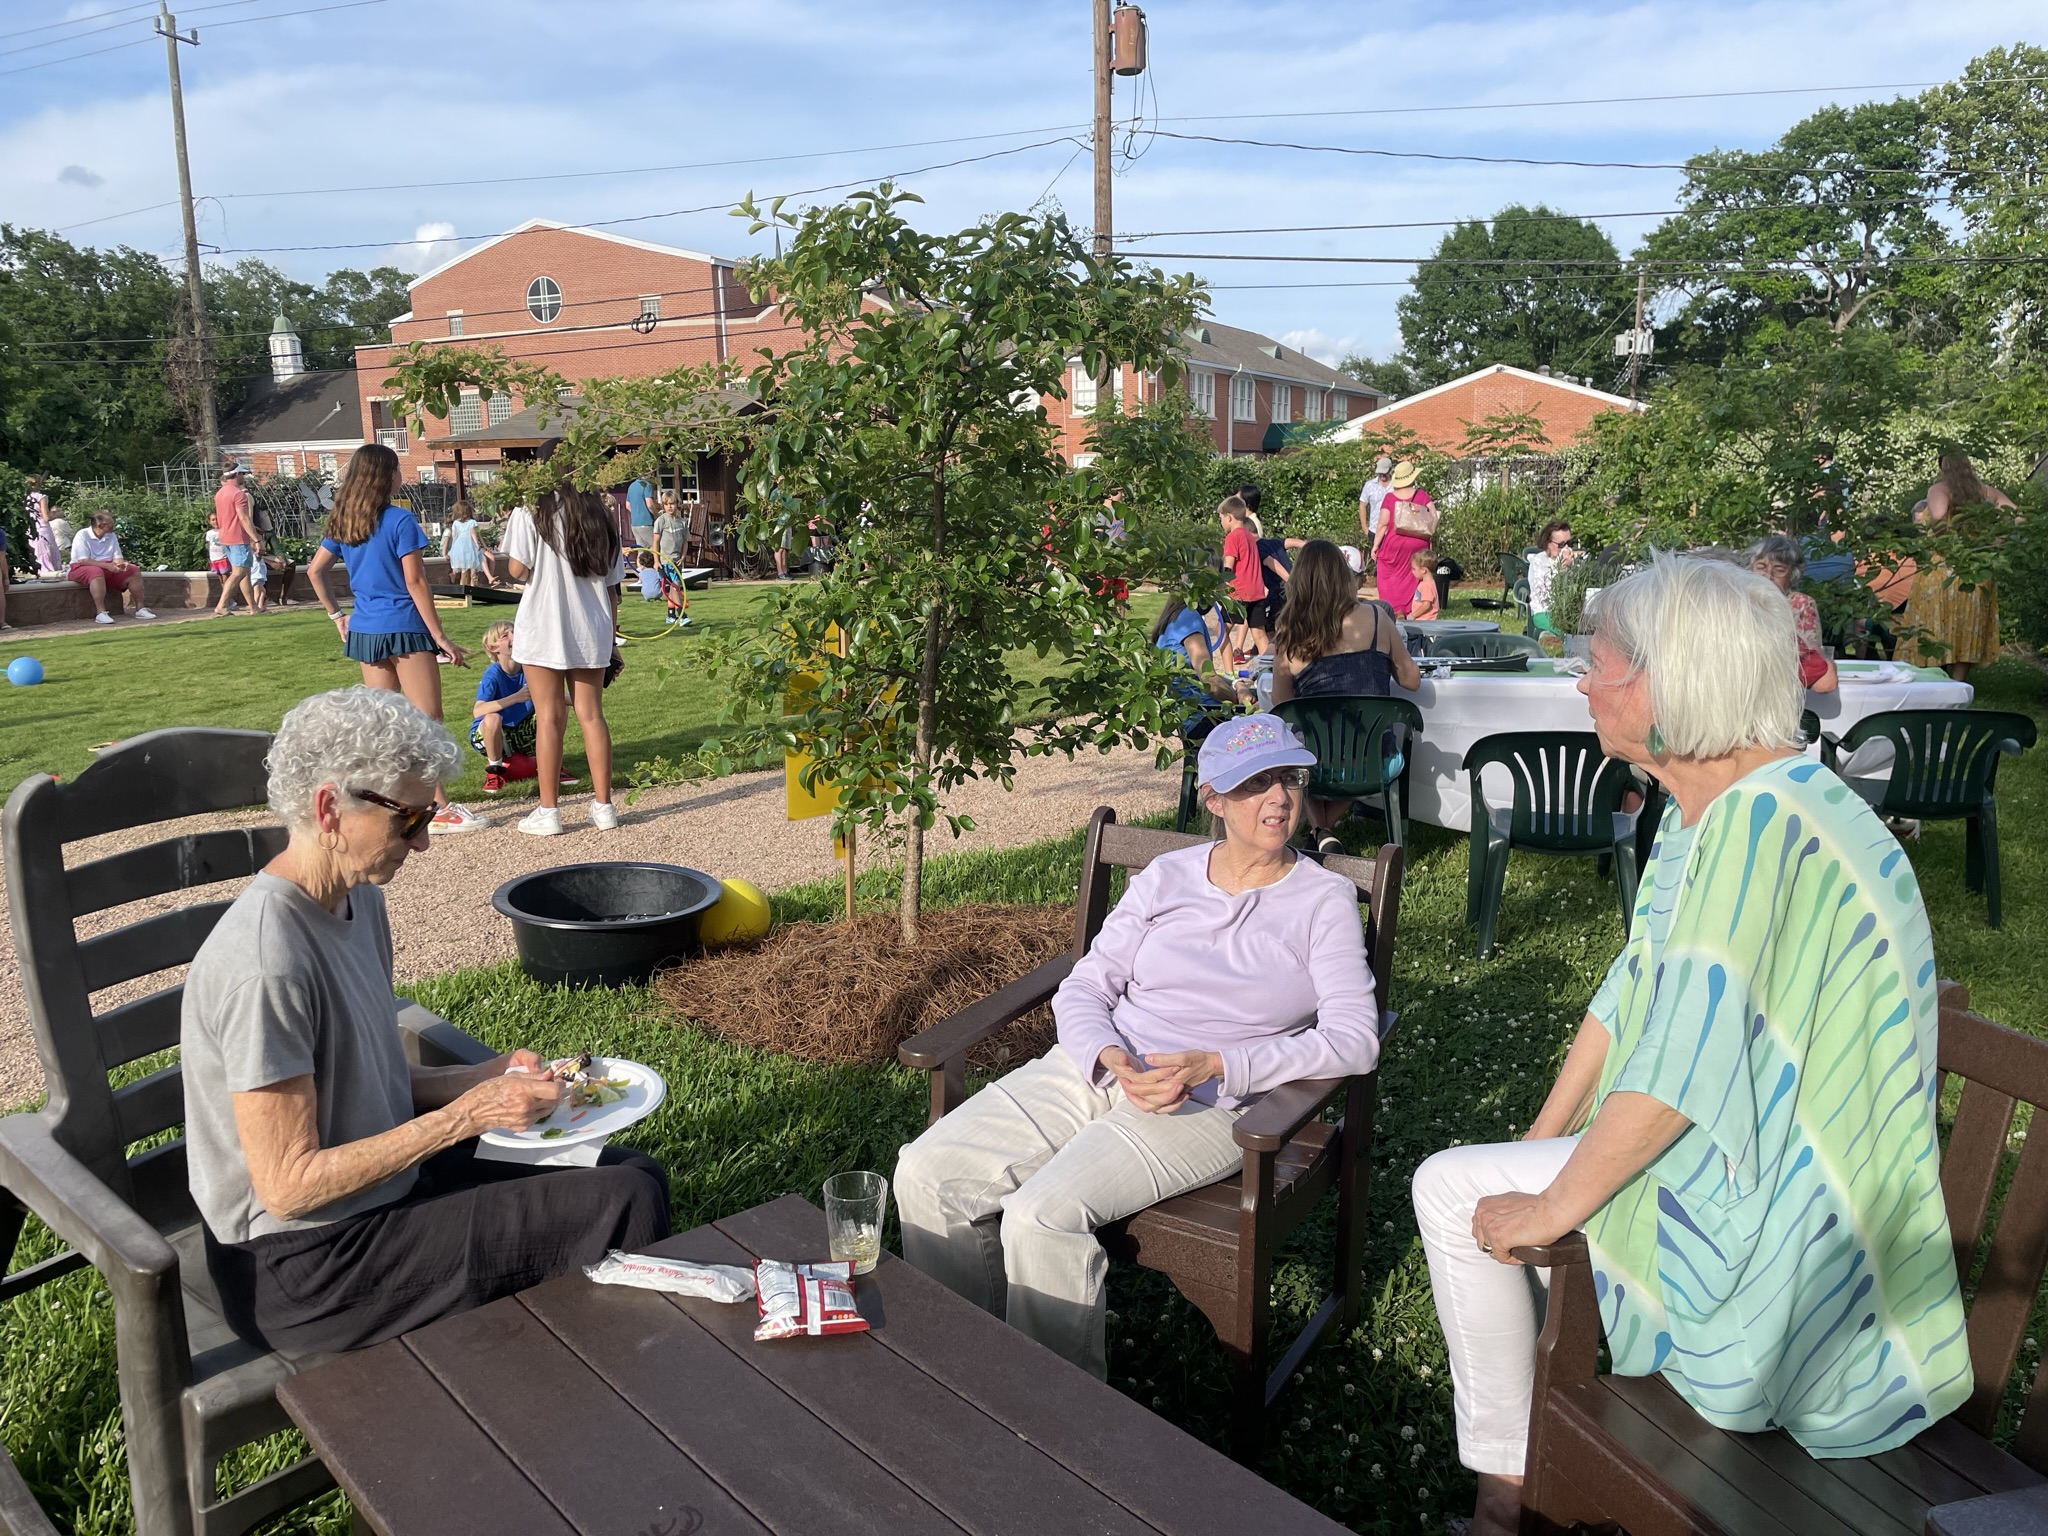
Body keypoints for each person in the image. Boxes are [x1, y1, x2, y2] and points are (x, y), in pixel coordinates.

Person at [1409, 554, 1970, 1536]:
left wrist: (1552, 1202)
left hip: (1798, 1211)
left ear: (1669, 683)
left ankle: (1505, 1505)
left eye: (1598, 664)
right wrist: (1542, 1139)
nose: (1581, 684)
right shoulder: (1706, 807)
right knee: (1480, 1187)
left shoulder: (1764, 822)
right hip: (1748, 1146)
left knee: (1449, 1190)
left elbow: (1683, 1070)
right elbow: (1631, 990)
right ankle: (1518, 1485)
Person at [182, 686, 668, 1354]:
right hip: (300, 1265)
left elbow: (362, 1079)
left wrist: (483, 1078)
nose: (423, 843)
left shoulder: (356, 900)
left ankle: (571, 1362)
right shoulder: (266, 963)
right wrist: (465, 1117)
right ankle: (588, 1378)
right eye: (408, 820)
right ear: (329, 810)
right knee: (622, 1202)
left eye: (427, 816)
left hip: (381, 1193)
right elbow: (288, 1187)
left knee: (634, 1174)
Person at [895, 712, 1380, 1378]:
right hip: (1099, 1068)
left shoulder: (1322, 900)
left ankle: (1052, 1409)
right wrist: (1105, 1055)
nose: (1278, 798)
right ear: (1214, 799)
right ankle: (964, 1373)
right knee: (927, 1172)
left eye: (1289, 779)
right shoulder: (1166, 877)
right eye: (1254, 783)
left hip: (1209, 1103)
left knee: (1042, 1216)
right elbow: (1086, 984)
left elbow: (1354, 1039)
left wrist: (1222, 1064)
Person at [307, 443, 483, 835]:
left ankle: (387, 806)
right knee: (427, 722)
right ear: (386, 476)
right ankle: (439, 808)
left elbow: (315, 571)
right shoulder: (400, 520)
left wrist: (336, 615)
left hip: (366, 631)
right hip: (404, 626)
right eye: (397, 469)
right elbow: (416, 581)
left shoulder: (343, 520)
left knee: (382, 726)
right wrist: (440, 637)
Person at [1269, 540, 1422, 852]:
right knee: (1361, 745)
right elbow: (1412, 681)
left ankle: (1320, 830)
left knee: (1295, 750)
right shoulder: (1377, 619)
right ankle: (1323, 831)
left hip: (1313, 765)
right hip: (1372, 761)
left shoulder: (1290, 632)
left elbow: (1281, 703)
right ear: (1343, 576)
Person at [500, 481, 627, 836]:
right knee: (592, 715)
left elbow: (516, 569)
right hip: (592, 626)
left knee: (548, 717)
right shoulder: (599, 511)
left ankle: (549, 811)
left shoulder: (531, 506)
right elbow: (612, 587)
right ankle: (604, 806)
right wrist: (611, 640)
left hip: (543, 623)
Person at [1898, 451, 2015, 681]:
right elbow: (2017, 516)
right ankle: (1956, 684)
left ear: (1943, 467)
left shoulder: (1939, 489)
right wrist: (1994, 541)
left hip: (1942, 568)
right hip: (1976, 569)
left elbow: (1939, 514)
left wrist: (1947, 541)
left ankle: (1933, 681)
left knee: (1933, 626)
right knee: (1967, 627)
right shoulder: (1984, 492)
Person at [1746, 533, 1838, 693]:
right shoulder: (1736, 600)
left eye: (1779, 570)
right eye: (1761, 567)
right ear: (1749, 568)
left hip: (1783, 687)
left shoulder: (1800, 603)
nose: (1768, 575)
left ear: (1792, 576)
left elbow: (1814, 661)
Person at [1151, 596, 1248, 718]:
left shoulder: (1176, 615)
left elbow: (1200, 675)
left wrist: (1237, 684)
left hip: (1186, 712)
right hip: (1198, 715)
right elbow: (1211, 683)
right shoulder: (1189, 619)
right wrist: (1241, 701)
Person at [1371, 460, 1436, 617]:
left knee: (1389, 576)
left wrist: (1375, 546)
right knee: (1413, 575)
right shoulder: (1422, 495)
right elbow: (1433, 517)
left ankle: (1394, 610)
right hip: (1418, 544)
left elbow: (1382, 524)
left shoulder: (1390, 498)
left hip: (1395, 544)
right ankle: (1410, 609)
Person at [68, 512, 156, 624]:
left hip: (107, 567)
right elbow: (83, 560)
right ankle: (101, 612)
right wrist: (107, 566)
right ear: (100, 526)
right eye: (110, 523)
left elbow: (117, 556)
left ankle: (140, 609)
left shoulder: (111, 535)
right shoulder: (82, 535)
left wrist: (121, 564)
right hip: (82, 567)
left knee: (133, 570)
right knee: (96, 571)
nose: (113, 526)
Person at [1218, 495, 1269, 656]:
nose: (1221, 522)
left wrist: (1220, 586)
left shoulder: (1232, 537)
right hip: (1257, 592)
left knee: (1221, 632)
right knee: (1259, 635)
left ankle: (1229, 669)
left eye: (1221, 518)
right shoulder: (1250, 536)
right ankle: (1269, 667)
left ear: (1229, 517)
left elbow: (1228, 566)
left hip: (1238, 593)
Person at [213, 465, 258, 617]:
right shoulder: (238, 494)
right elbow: (244, 518)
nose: (243, 477)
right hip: (238, 537)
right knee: (239, 572)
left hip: (225, 537)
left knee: (244, 572)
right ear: (237, 474)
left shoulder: (220, 493)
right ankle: (221, 605)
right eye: (242, 474)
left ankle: (253, 607)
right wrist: (256, 539)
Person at [1525, 520, 1575, 635]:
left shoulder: (1571, 561)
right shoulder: (1539, 563)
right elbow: (1546, 597)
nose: (1566, 548)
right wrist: (1562, 570)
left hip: (1568, 613)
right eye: (1561, 545)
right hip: (1545, 612)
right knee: (1568, 632)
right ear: (1548, 543)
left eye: (1569, 543)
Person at [1358, 455, 1395, 563]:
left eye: (1384, 472)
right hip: (1375, 530)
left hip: (1393, 531)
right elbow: (1362, 505)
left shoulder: (1396, 485)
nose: (1382, 475)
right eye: (1380, 472)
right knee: (1378, 561)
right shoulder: (1369, 485)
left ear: (1390, 470)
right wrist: (1365, 528)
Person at [445, 501, 487, 588]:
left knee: (463, 568)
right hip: (470, 545)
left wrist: (453, 548)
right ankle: (473, 586)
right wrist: (480, 544)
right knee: (473, 566)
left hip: (459, 546)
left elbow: (454, 535)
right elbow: (475, 534)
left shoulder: (455, 523)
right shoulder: (472, 522)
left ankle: (463, 586)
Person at [28, 494, 62, 579]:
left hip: (30, 529)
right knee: (48, 553)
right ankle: (50, 575)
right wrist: (57, 515)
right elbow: (46, 517)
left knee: (37, 553)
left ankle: (38, 573)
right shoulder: (41, 497)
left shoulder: (25, 497)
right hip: (42, 529)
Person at [652, 490, 688, 567]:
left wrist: (682, 558)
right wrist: (656, 561)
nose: (669, 506)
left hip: (677, 561)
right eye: (666, 504)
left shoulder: (682, 522)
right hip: (663, 561)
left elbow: (685, 542)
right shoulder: (661, 520)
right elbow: (655, 542)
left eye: (672, 503)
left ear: (677, 503)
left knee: (677, 576)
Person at [1406, 549, 1441, 620]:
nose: (1412, 572)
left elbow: (1426, 605)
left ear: (1423, 570)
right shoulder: (1428, 583)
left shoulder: (1426, 585)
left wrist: (1413, 615)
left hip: (1425, 621)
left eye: (1414, 569)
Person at [625, 475, 656, 550]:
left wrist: (636, 512)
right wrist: (657, 515)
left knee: (641, 550)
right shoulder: (646, 485)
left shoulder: (631, 486)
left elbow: (627, 506)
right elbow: (650, 505)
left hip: (634, 524)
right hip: (646, 522)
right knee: (655, 547)